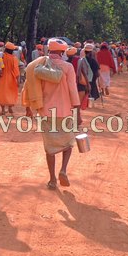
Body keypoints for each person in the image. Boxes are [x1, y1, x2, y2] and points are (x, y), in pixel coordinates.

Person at [27, 38, 81, 190]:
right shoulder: (68, 67)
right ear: (63, 52)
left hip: (46, 112)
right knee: (68, 143)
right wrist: (77, 111)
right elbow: (72, 89)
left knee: (49, 148)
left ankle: (52, 180)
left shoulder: (39, 66)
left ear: (49, 51)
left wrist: (29, 107)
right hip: (65, 111)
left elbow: (30, 86)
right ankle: (63, 170)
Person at [0, 42, 20, 116]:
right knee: (11, 93)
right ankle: (10, 107)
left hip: (2, 77)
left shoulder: (1, 56)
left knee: (2, 93)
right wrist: (18, 79)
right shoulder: (14, 59)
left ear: (5, 49)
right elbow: (16, 70)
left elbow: (1, 66)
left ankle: (3, 110)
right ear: (12, 51)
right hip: (11, 78)